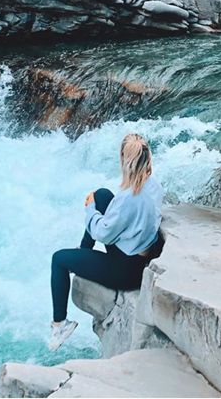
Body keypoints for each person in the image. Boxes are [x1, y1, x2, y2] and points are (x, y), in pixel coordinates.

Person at [47, 133, 165, 351]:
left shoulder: (128, 197)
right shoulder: (154, 185)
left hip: (125, 271)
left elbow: (103, 234)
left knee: (59, 260)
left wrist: (89, 209)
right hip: (140, 255)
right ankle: (83, 253)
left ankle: (59, 324)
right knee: (101, 194)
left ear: (124, 159)